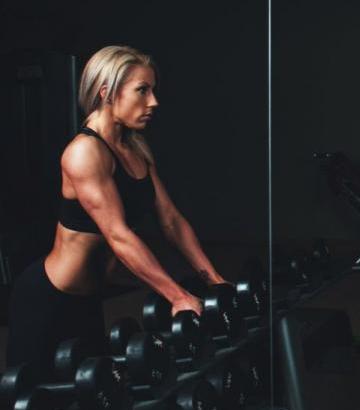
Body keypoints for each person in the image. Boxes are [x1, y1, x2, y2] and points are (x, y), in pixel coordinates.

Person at [6, 45, 226, 369]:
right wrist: (177, 296)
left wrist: (215, 282)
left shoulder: (134, 149)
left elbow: (171, 221)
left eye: (153, 90)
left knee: (94, 392)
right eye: (142, 90)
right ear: (107, 91)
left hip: (89, 301)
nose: (154, 102)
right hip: (48, 298)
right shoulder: (84, 153)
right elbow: (118, 235)